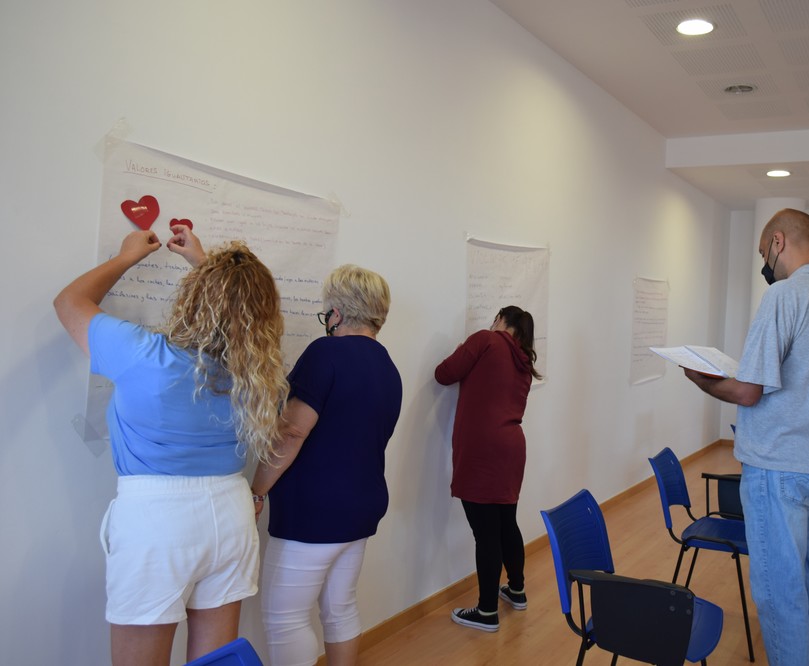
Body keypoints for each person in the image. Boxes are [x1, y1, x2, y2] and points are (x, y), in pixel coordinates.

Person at [53, 226, 288, 666]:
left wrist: (126, 258)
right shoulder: (258, 373)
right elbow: (243, 315)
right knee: (216, 662)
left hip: (157, 522)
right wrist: (210, 268)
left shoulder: (143, 354)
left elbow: (69, 303)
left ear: (194, 297)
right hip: (231, 515)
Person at [682, 209, 809, 666]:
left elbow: (747, 391)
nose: (764, 263)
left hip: (778, 468)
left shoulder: (785, 296)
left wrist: (700, 378)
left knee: (778, 596)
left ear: (778, 242)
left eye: (763, 252)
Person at [250, 264, 402, 666]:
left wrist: (257, 488)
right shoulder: (388, 367)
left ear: (337, 311)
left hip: (313, 514)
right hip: (361, 507)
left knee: (285, 618)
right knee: (340, 608)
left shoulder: (325, 352)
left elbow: (291, 433)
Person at [434, 305, 542, 633]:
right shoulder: (524, 361)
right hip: (512, 448)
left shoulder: (486, 340)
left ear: (500, 321)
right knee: (506, 523)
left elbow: (444, 373)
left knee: (486, 534)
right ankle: (517, 590)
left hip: (483, 450)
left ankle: (486, 611)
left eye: (494, 320)